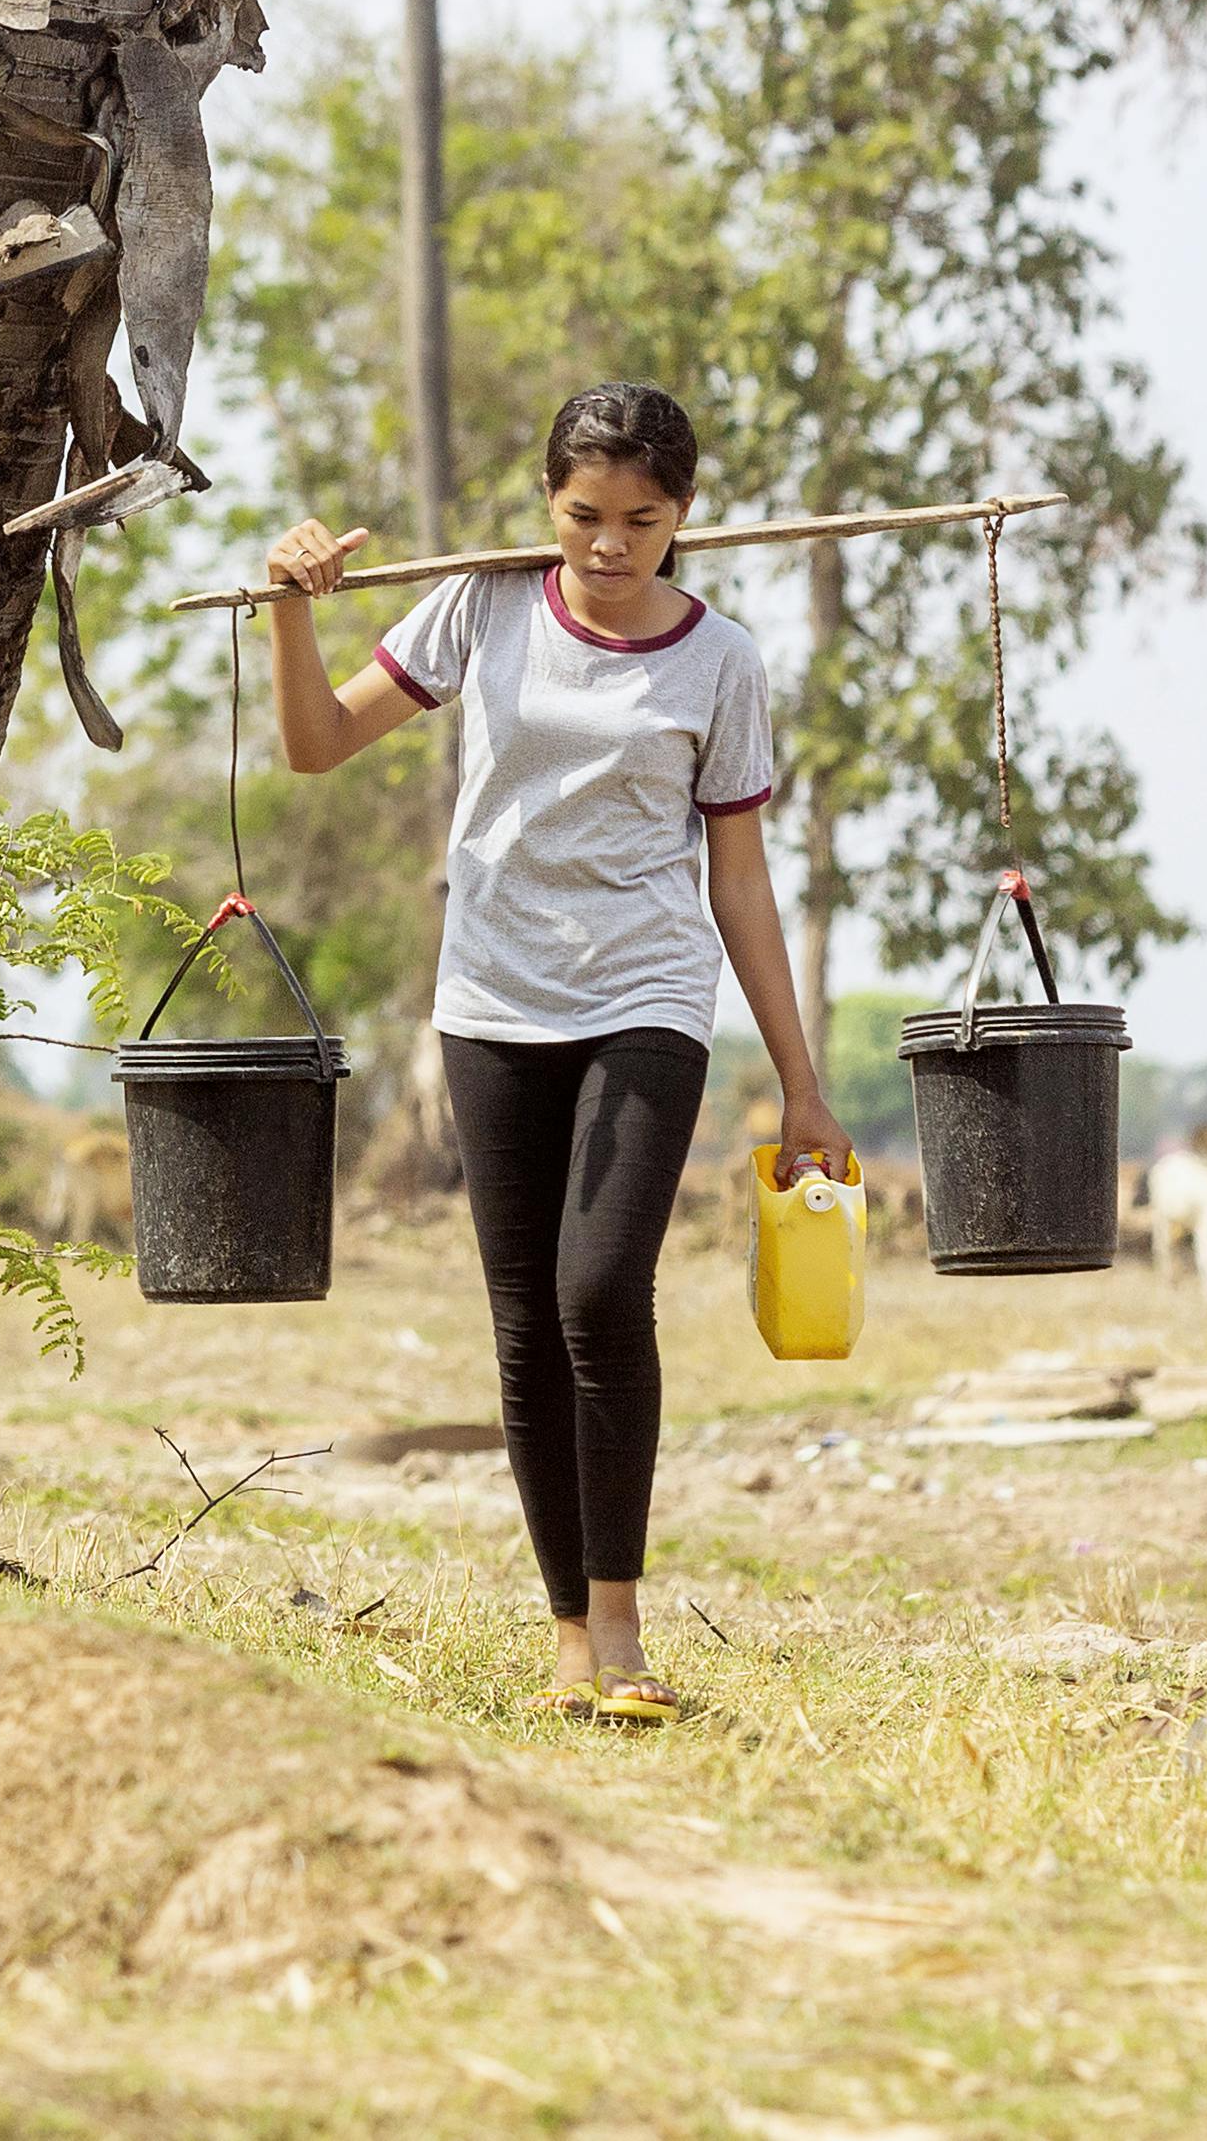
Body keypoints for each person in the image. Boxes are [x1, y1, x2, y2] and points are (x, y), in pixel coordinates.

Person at [261, 379, 852, 1727]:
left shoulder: (721, 661)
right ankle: (572, 1639)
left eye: (642, 520)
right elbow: (316, 743)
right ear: (548, 504)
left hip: (646, 993)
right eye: (584, 515)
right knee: (526, 1321)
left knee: (599, 1292)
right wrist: (291, 607)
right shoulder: (481, 605)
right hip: (491, 1001)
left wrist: (803, 1085)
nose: (609, 545)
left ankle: (625, 1624)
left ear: (684, 514)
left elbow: (742, 882)